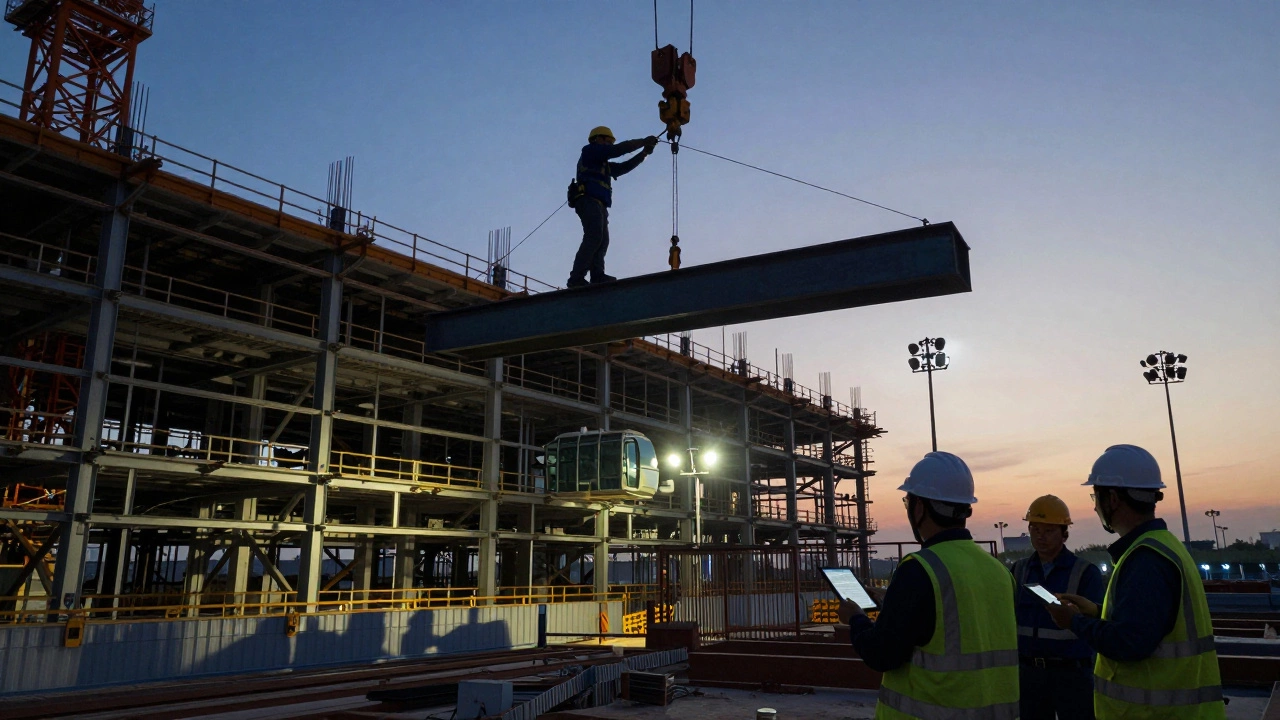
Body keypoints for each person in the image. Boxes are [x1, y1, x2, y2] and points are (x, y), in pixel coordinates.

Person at [1046, 445, 1225, 719]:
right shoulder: (1164, 547)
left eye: (1096, 496)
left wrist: (1072, 621)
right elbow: (1150, 624)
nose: (1094, 506)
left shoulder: (1146, 559)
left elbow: (1129, 643)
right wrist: (1095, 612)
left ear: (1113, 499)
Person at [838, 451, 1019, 718]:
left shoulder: (920, 569)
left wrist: (855, 619)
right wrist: (893, 601)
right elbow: (959, 622)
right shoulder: (999, 570)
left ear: (919, 507)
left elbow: (881, 654)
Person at [1013, 495, 1105, 719]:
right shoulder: (1018, 570)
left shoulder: (1085, 572)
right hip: (1029, 674)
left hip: (1072, 674)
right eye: (1035, 529)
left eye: (1048, 530)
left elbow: (1098, 621)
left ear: (1064, 533)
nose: (1040, 536)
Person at [567, 126, 658, 288]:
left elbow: (624, 167)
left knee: (602, 239)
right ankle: (576, 278)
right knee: (594, 234)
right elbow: (618, 150)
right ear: (597, 139)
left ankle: (597, 274)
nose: (609, 145)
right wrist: (643, 142)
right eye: (607, 141)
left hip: (598, 203)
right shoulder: (589, 151)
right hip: (588, 200)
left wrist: (644, 153)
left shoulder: (603, 164)